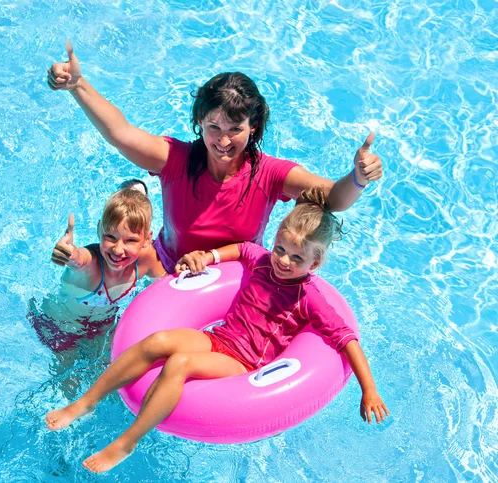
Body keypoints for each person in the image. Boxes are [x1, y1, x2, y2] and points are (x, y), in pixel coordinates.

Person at [44, 187, 389, 474]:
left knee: (179, 363)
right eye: (280, 249)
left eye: (295, 259)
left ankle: (127, 442)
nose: (283, 261)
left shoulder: (310, 297)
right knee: (158, 340)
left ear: (314, 263)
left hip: (245, 362)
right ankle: (84, 403)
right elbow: (241, 248)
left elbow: (346, 339)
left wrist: (368, 390)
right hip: (219, 338)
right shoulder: (261, 259)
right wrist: (206, 257)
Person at [47, 41, 384, 273]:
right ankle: (137, 194)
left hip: (231, 274)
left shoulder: (269, 174)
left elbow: (333, 200)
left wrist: (358, 177)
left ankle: (138, 191)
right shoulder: (176, 160)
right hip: (168, 267)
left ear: (253, 127)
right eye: (213, 127)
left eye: (235, 128)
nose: (223, 141)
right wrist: (79, 86)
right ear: (199, 123)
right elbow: (120, 133)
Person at [29, 181, 166, 354]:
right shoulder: (92, 263)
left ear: (147, 239)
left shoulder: (146, 260)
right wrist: (69, 254)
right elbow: (80, 259)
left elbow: (167, 288)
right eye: (110, 237)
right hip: (62, 326)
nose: (118, 249)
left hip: (102, 327)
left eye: (130, 240)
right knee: (70, 379)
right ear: (99, 230)